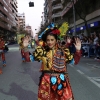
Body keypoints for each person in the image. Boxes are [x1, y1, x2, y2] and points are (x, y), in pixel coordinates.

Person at [23, 26, 81, 100]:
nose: (50, 42)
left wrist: (78, 51)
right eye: (48, 40)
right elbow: (28, 59)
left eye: (52, 40)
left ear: (56, 40)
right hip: (46, 81)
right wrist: (25, 48)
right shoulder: (42, 51)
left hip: (61, 81)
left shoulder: (63, 51)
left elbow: (74, 62)